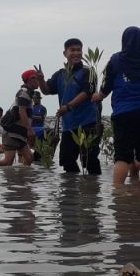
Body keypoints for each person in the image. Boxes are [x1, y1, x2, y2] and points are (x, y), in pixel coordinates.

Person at [100, 27, 140, 185]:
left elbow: (105, 88)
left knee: (122, 156)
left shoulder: (115, 61)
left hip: (123, 114)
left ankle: (118, 196)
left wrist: (96, 96)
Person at [40, 38, 103, 175]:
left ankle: (92, 193)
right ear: (65, 53)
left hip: (88, 124)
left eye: (78, 50)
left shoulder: (89, 71)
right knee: (67, 161)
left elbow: (87, 92)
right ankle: (71, 193)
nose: (76, 53)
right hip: (69, 126)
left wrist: (68, 107)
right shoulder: (60, 74)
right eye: (72, 50)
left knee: (89, 161)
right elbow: (46, 90)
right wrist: (40, 80)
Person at [0, 70, 42, 167]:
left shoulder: (28, 93)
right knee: (7, 162)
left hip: (20, 133)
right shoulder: (24, 93)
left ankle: (21, 179)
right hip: (12, 132)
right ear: (30, 80)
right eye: (36, 78)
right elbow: (22, 111)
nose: (38, 81)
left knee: (29, 158)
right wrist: (29, 129)